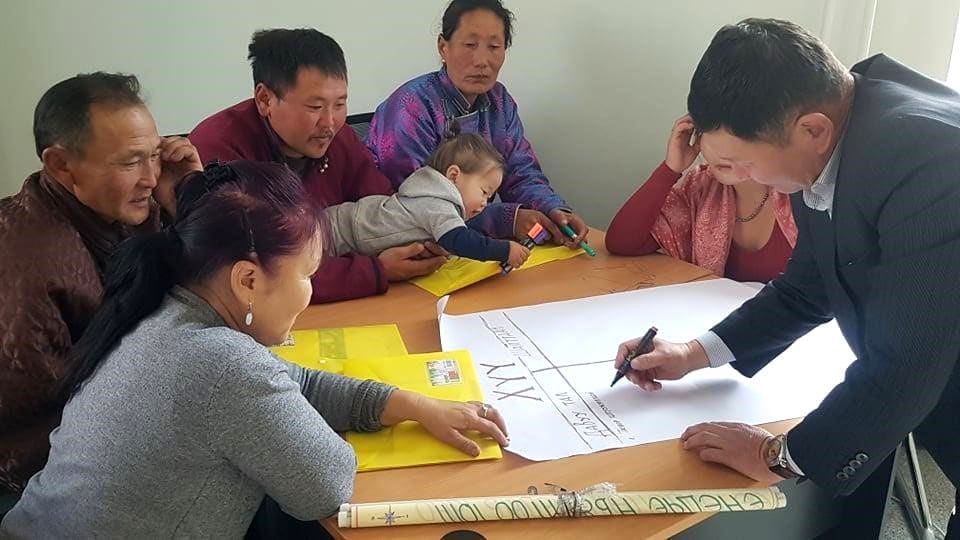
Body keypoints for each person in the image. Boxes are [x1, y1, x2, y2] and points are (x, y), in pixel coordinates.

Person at [0, 161, 509, 538]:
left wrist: (412, 404)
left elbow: (290, 383)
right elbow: (326, 483)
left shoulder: (165, 310)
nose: (309, 291)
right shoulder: (220, 364)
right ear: (247, 279)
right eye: (307, 275)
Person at [614, 19, 960, 538]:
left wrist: (777, 455)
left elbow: (907, 363)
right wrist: (694, 353)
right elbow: (807, 286)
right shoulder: (834, 124)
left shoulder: (930, 164)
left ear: (812, 130)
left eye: (741, 165)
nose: (740, 180)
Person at [0, 72, 201, 497]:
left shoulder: (116, 210)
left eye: (155, 155)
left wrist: (189, 201)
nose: (149, 176)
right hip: (41, 483)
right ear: (60, 164)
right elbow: (44, 428)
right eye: (131, 162)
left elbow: (199, 299)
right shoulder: (32, 269)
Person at [189, 29, 445, 303]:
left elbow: (383, 208)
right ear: (265, 100)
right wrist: (375, 270)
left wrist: (419, 237)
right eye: (315, 107)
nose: (330, 123)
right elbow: (257, 269)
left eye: (340, 104)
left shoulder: (341, 139)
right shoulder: (218, 148)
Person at [365, 0, 589, 248]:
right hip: (402, 247)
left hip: (471, 245)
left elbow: (520, 171)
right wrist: (507, 220)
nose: (482, 60)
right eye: (470, 45)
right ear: (443, 47)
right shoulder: (411, 105)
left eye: (494, 46)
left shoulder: (499, 102)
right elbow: (415, 203)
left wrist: (552, 208)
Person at [605, 115, 797, 283]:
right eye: (710, 130)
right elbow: (622, 243)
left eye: (738, 133)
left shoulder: (802, 190)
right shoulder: (701, 187)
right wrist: (670, 170)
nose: (723, 151)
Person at [327, 131, 530, 268]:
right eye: (484, 191)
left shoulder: (430, 196)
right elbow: (461, 241)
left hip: (340, 228)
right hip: (333, 233)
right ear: (453, 176)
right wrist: (504, 250)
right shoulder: (437, 203)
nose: (486, 202)